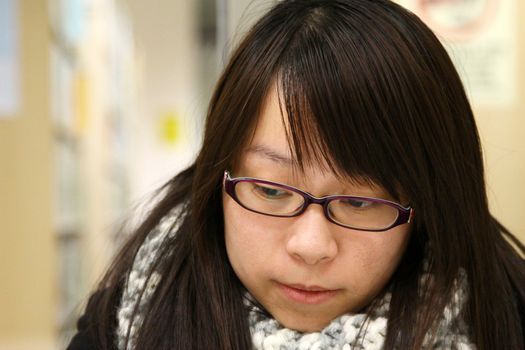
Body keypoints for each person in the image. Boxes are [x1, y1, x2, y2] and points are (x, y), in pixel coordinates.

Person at [67, 0, 525, 349]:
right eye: (269, 189)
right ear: (218, 180)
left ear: (428, 205)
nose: (309, 247)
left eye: (361, 201)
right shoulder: (131, 312)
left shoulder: (504, 316)